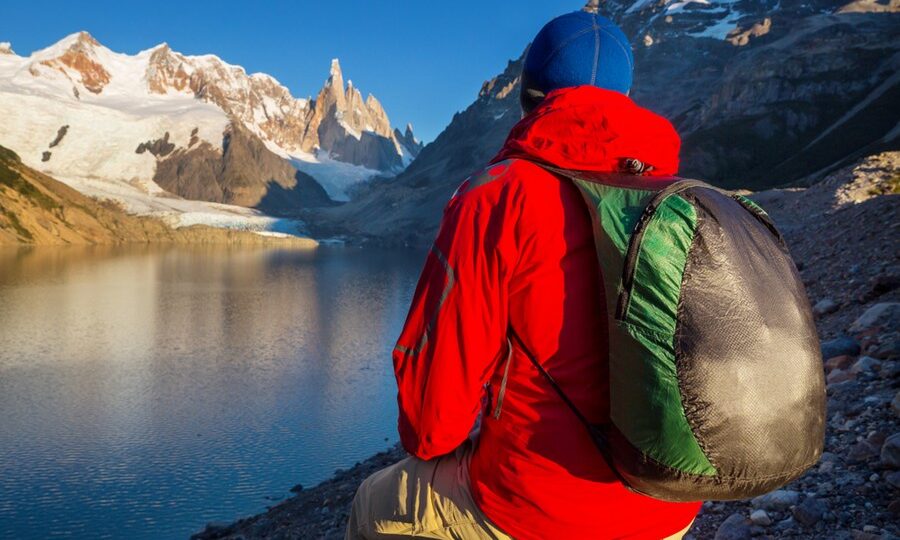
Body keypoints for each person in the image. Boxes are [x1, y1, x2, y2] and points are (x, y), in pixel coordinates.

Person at [346, 8, 701, 540]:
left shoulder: (497, 196)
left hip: (532, 508)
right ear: (626, 100)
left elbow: (430, 427)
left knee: (373, 502)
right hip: (671, 503)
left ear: (529, 95)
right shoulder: (682, 203)